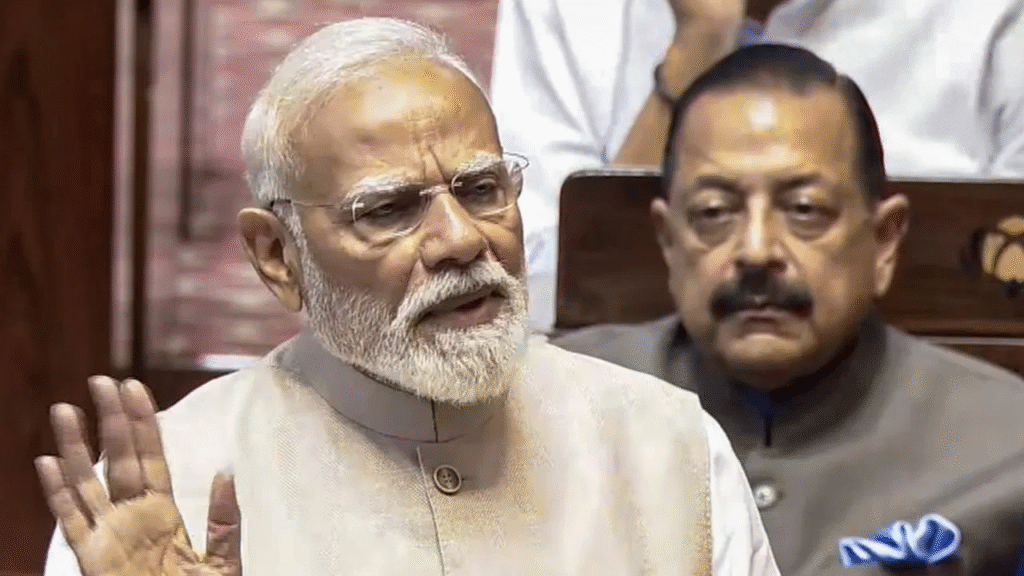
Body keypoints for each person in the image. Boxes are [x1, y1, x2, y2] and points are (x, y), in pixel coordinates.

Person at [37, 18, 779, 576]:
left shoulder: (672, 450)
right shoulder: (158, 501)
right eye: (389, 209)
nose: (460, 240)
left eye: (481, 189)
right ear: (277, 256)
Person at [554, 43, 1024, 575]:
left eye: (804, 210)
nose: (756, 251)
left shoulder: (1006, 447)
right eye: (714, 212)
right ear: (668, 240)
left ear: (884, 241)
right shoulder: (559, 404)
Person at [491, 0, 1024, 332]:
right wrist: (697, 45)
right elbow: (528, 293)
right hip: (636, 398)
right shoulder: (565, 10)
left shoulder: (990, 16)